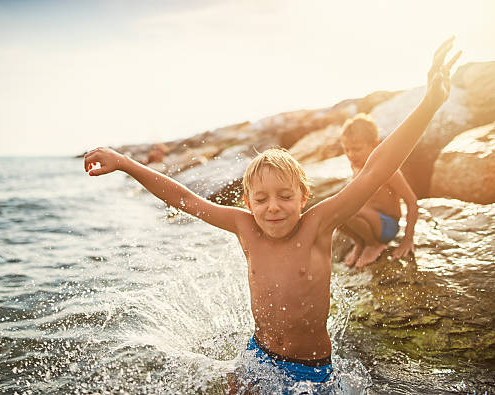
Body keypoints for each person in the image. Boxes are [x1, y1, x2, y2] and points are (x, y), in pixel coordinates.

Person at [83, 38, 460, 391]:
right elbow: (183, 198)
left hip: (308, 370)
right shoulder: (244, 227)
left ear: (303, 197)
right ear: (247, 202)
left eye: (284, 196)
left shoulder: (317, 225)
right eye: (261, 199)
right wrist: (124, 163)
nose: (273, 207)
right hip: (258, 354)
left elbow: (378, 167)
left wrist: (429, 103)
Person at [338, 114, 419, 268]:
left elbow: (412, 201)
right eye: (346, 149)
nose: (350, 154)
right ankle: (361, 243)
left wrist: (407, 240)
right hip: (368, 219)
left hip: (386, 226)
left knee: (349, 209)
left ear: (375, 145)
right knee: (336, 213)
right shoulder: (355, 166)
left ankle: (374, 245)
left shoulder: (388, 170)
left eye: (356, 149)